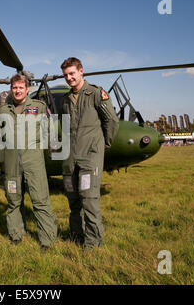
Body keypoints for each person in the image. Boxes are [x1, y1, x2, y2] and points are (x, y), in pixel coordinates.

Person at [60, 57, 119, 249]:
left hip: (88, 157)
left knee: (89, 199)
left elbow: (111, 121)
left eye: (72, 73)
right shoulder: (67, 99)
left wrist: (102, 145)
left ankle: (93, 242)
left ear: (81, 71)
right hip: (70, 159)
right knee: (73, 199)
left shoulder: (95, 93)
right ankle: (76, 235)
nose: (69, 78)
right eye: (66, 75)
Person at [0, 73, 57, 250]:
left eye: (20, 87)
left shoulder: (38, 107)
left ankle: (47, 239)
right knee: (14, 200)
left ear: (27, 89)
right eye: (14, 88)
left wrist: (38, 151)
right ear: (11, 89)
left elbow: (50, 133)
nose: (17, 91)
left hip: (33, 161)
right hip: (12, 163)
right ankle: (16, 234)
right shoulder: (3, 110)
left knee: (40, 200)